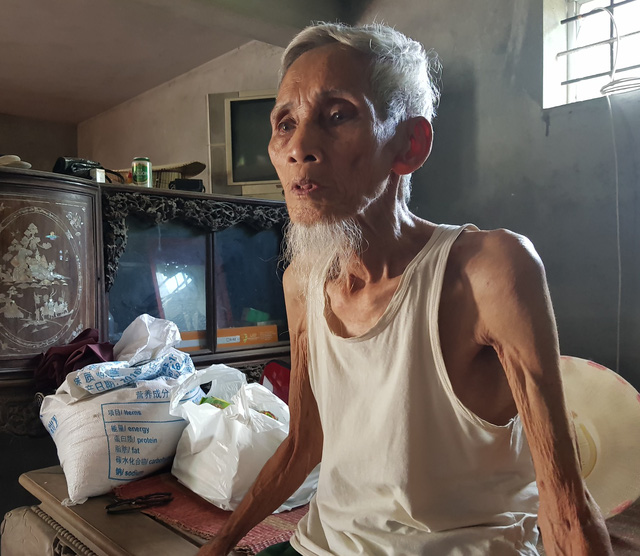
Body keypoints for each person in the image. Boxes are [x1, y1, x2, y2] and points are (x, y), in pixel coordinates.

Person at [199, 22, 613, 556]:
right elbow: (304, 444)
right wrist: (220, 544)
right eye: (285, 124)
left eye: (338, 115)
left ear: (410, 145)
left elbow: (565, 506)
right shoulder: (302, 281)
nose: (299, 147)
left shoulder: (488, 271)